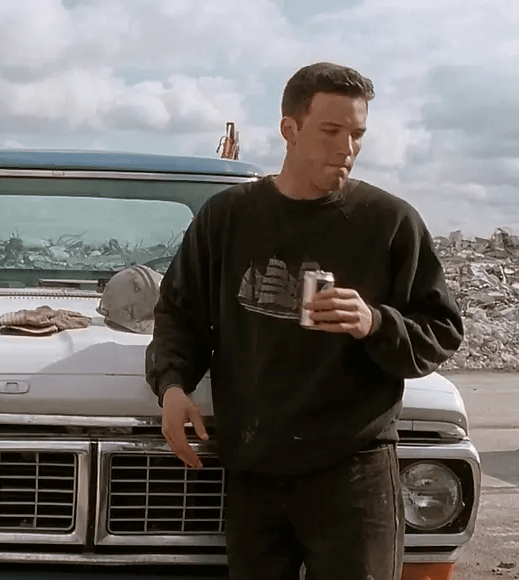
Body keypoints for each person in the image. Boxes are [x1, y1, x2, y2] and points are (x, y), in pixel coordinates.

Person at [145, 62, 464, 580]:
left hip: (354, 470)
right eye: (331, 131)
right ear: (289, 129)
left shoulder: (389, 223)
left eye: (357, 135)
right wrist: (173, 385)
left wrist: (374, 323)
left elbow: (440, 333)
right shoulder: (227, 218)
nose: (347, 148)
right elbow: (181, 313)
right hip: (253, 465)